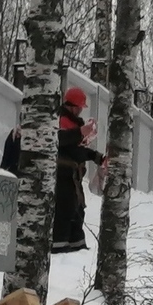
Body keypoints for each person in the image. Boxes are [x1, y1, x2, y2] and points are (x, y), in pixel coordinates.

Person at [53, 87, 105, 253]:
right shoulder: (59, 120)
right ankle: (60, 247)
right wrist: (80, 133)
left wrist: (97, 157)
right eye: (79, 107)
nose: (81, 110)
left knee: (77, 210)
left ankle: (78, 247)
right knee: (64, 211)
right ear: (71, 106)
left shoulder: (75, 124)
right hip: (61, 176)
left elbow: (77, 150)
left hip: (73, 177)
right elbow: (61, 141)